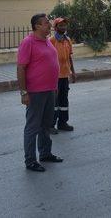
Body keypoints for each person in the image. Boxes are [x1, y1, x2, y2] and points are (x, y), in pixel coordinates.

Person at [17, 13, 64, 172]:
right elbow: (21, 68)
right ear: (37, 26)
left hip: (50, 90)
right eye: (46, 23)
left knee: (46, 125)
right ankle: (30, 160)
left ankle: (45, 153)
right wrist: (24, 92)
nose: (49, 25)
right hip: (35, 92)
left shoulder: (47, 42)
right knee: (33, 126)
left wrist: (55, 87)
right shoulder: (28, 42)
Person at [50, 17, 76, 131]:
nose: (63, 27)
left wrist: (73, 72)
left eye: (64, 25)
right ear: (55, 28)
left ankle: (62, 123)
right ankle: (50, 125)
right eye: (61, 25)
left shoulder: (67, 40)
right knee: (54, 102)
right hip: (54, 77)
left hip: (65, 75)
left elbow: (69, 57)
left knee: (64, 100)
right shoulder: (51, 41)